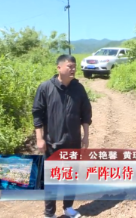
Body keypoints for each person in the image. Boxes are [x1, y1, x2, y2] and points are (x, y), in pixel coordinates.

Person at [32, 54, 92, 218]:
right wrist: (39, 138)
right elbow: (37, 114)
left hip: (73, 142)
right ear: (59, 67)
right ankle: (49, 213)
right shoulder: (45, 88)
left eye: (74, 66)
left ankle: (68, 208)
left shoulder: (78, 89)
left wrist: (85, 136)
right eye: (69, 66)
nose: (73, 69)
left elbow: (86, 113)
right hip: (52, 142)